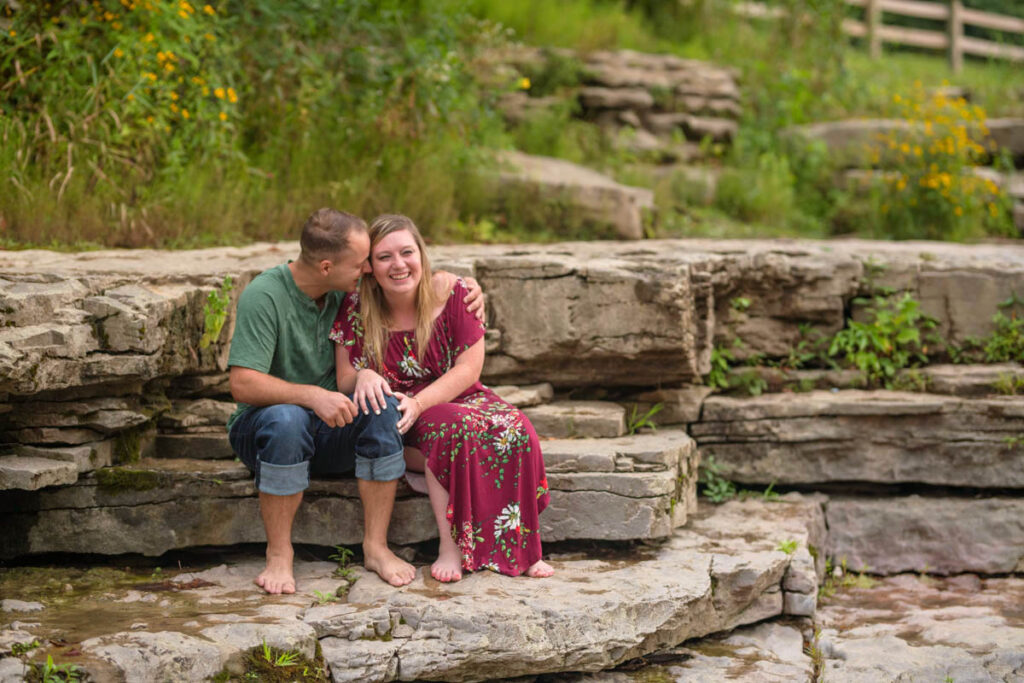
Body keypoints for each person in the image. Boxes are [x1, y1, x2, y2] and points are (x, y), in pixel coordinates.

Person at [227, 208, 483, 594]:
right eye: (360, 263)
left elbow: (409, 272)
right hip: (267, 431)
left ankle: (376, 547)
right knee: (287, 419)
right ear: (327, 266)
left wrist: (461, 285)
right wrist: (314, 396)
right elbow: (242, 384)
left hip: (332, 429)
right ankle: (279, 554)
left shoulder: (342, 292)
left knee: (379, 404)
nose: (366, 270)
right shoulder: (265, 296)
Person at [330, 214, 553, 582]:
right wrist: (365, 375)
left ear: (422, 254)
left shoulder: (454, 293)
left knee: (518, 427)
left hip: (458, 396)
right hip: (400, 412)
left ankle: (526, 549)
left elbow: (469, 370)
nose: (398, 264)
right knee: (454, 430)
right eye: (385, 257)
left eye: (407, 252)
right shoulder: (356, 307)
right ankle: (451, 547)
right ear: (369, 266)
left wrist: (423, 402)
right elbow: (344, 378)